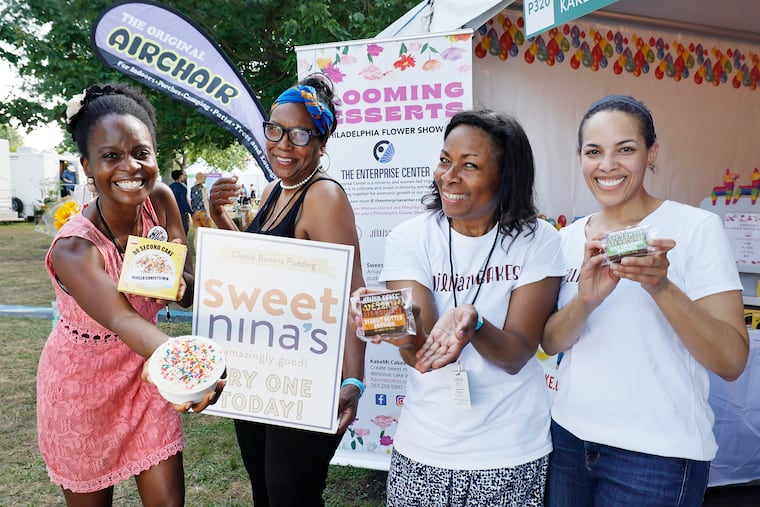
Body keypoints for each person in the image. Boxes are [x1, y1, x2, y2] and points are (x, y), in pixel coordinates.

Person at [542, 95, 749, 507]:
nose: (607, 165)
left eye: (626, 149)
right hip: (568, 440)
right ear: (580, 158)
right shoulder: (566, 239)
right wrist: (585, 301)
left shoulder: (696, 228)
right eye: (594, 152)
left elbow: (731, 360)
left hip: (659, 454)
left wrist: (661, 287)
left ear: (651, 153)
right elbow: (550, 343)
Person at [352, 110, 564, 506]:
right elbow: (422, 352)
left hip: (510, 449)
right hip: (425, 445)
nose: (449, 175)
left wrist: (474, 323)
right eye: (446, 160)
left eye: (470, 166)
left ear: (507, 175)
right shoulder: (411, 238)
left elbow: (518, 353)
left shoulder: (538, 240)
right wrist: (400, 332)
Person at [37, 82, 223, 506]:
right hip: (81, 390)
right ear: (87, 166)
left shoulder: (160, 200)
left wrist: (181, 286)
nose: (130, 167)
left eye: (141, 153)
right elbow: (123, 319)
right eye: (111, 156)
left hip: (147, 374)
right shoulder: (74, 249)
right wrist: (194, 365)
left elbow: (189, 290)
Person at [207, 75, 366, 506]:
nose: (282, 143)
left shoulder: (323, 197)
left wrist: (354, 381)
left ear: (321, 140)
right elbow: (251, 267)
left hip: (306, 377)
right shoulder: (273, 191)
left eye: (299, 134)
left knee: (289, 496)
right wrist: (217, 215)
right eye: (274, 129)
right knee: (265, 490)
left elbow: (355, 292)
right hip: (260, 370)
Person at [169, 169, 192, 234]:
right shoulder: (182, 188)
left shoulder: (170, 187)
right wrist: (191, 212)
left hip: (172, 213)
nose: (185, 177)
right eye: (184, 175)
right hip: (181, 214)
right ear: (180, 176)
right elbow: (184, 202)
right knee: (184, 231)